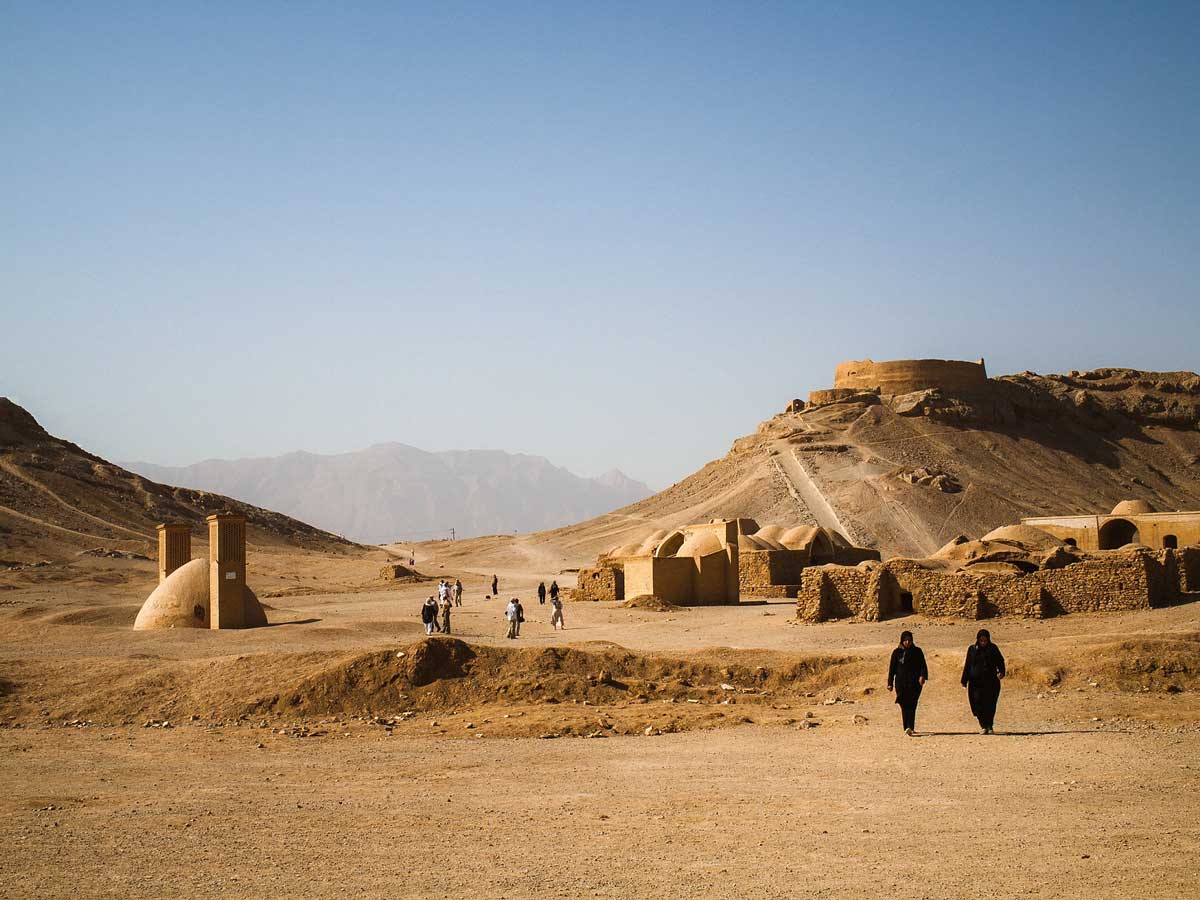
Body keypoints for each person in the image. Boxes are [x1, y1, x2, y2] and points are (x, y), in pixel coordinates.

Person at [961, 628, 1006, 734]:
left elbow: (1000, 661)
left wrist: (1001, 672)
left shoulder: (993, 649)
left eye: (985, 640)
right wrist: (964, 679)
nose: (983, 643)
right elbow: (968, 664)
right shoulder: (972, 649)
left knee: (990, 704)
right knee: (977, 704)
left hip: (991, 683)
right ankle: (983, 725)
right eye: (981, 640)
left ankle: (989, 726)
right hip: (975, 683)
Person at [887, 630, 928, 736]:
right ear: (902, 641)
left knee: (912, 704)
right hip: (901, 683)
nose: (907, 642)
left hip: (914, 683)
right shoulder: (897, 652)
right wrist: (890, 683)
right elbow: (892, 669)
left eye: (909, 640)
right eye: (905, 640)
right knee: (904, 704)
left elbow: (923, 665)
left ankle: (911, 727)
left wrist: (922, 676)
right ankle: (907, 727)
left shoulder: (917, 651)